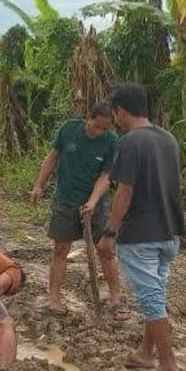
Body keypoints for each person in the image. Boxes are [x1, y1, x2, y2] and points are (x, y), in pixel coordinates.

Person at [99, 83, 185, 371]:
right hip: (170, 231)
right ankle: (146, 354)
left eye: (116, 114)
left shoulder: (130, 142)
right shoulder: (168, 139)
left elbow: (125, 191)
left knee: (150, 299)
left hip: (141, 234)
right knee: (156, 294)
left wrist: (110, 232)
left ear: (120, 110)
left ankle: (169, 365)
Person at [30, 102, 125, 316]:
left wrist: (92, 201)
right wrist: (39, 185)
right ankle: (53, 299)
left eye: (105, 128)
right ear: (88, 119)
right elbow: (53, 157)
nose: (100, 131)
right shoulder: (68, 129)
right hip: (65, 200)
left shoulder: (112, 142)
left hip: (97, 205)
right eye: (96, 126)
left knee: (106, 250)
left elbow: (105, 176)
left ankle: (115, 297)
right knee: (60, 250)